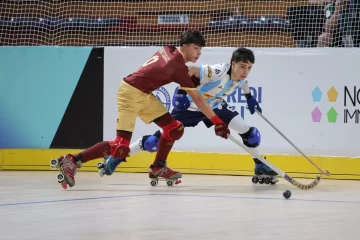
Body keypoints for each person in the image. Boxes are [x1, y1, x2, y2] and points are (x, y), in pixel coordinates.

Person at [50, 30, 230, 189]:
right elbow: (197, 99)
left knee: (174, 129)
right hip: (129, 93)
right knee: (120, 147)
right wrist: (218, 122)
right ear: (184, 46)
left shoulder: (168, 49)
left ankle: (158, 166)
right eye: (195, 48)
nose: (199, 53)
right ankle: (72, 160)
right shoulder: (179, 68)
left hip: (143, 94)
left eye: (200, 49)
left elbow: (166, 70)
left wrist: (188, 78)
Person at [127, 47, 279, 184]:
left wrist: (249, 97)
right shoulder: (217, 71)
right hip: (190, 106)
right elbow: (187, 68)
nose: (245, 71)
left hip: (214, 106)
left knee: (250, 134)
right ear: (233, 64)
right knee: (154, 142)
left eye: (249, 67)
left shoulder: (241, 77)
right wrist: (180, 91)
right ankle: (119, 154)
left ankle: (260, 165)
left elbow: (244, 82)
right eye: (242, 67)